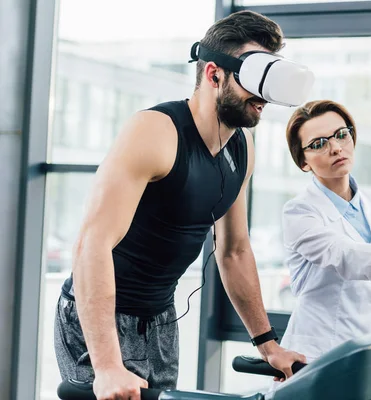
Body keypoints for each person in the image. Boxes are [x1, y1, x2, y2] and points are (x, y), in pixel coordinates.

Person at [54, 10, 307, 400]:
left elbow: (235, 250)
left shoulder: (242, 147)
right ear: (213, 74)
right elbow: (92, 244)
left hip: (161, 318)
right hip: (101, 317)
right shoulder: (154, 131)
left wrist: (267, 344)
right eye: (254, 81)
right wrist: (106, 366)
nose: (263, 98)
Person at [278, 99, 371, 366]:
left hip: (366, 350)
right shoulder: (299, 212)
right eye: (319, 144)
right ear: (304, 162)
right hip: (315, 355)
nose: (336, 148)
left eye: (341, 135)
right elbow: (344, 255)